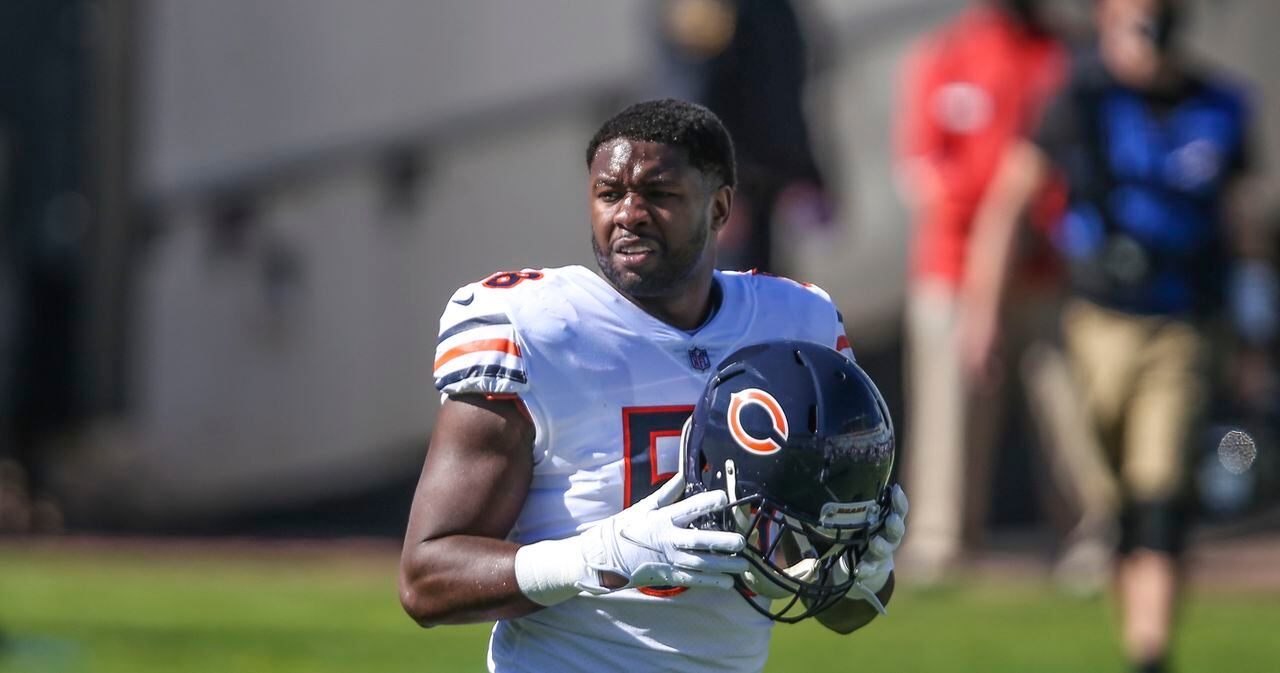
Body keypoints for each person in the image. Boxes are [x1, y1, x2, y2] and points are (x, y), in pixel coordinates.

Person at [399, 99, 907, 673]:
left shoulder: (795, 325)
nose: (630, 214)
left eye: (659, 195)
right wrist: (596, 558)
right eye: (609, 193)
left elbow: (844, 613)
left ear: (719, 209)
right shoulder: (534, 326)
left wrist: (859, 571)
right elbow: (427, 578)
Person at [962, 1, 1261, 670]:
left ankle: (1150, 652)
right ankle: (1139, 643)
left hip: (1183, 321)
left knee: (1160, 486)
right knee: (1113, 499)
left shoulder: (1219, 104)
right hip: (1096, 323)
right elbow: (1011, 198)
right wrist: (982, 313)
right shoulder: (1081, 97)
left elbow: (1242, 222)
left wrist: (1254, 330)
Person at [895, 0, 1117, 585]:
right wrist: (983, 229)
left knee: (1065, 403)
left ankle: (1094, 532)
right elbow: (922, 168)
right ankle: (942, 541)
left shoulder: (1061, 53)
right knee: (950, 404)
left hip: (1045, 268)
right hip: (951, 266)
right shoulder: (946, 54)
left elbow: (1074, 162)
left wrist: (1033, 225)